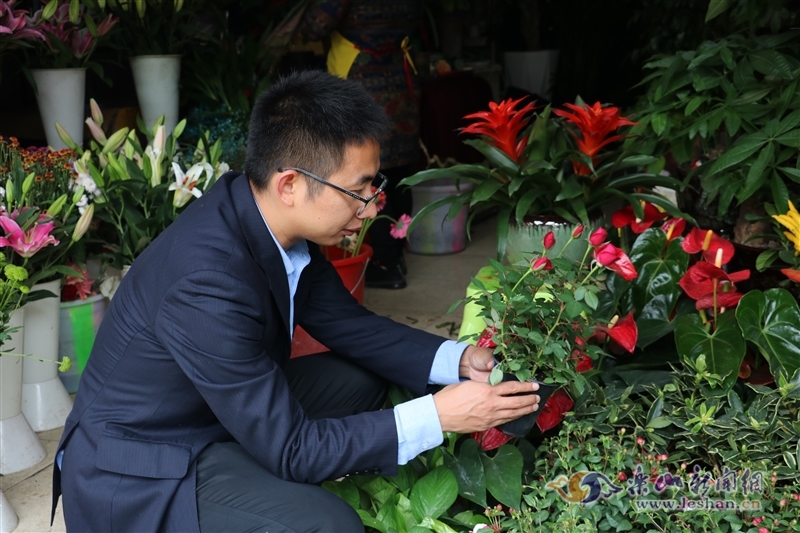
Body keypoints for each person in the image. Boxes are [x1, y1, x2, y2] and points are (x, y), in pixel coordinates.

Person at [51, 70, 541, 533]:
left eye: (374, 185)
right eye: (357, 190)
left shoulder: (261, 216)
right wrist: (439, 415)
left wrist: (459, 362)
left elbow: (349, 324)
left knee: (362, 378)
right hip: (143, 464)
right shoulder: (205, 280)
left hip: (213, 411)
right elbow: (292, 448)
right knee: (324, 525)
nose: (370, 206)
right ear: (289, 184)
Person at [301, 0, 424, 289]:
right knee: (399, 172)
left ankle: (385, 263)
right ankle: (396, 254)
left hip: (361, 81)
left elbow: (314, 25)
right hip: (400, 76)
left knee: (371, 179)